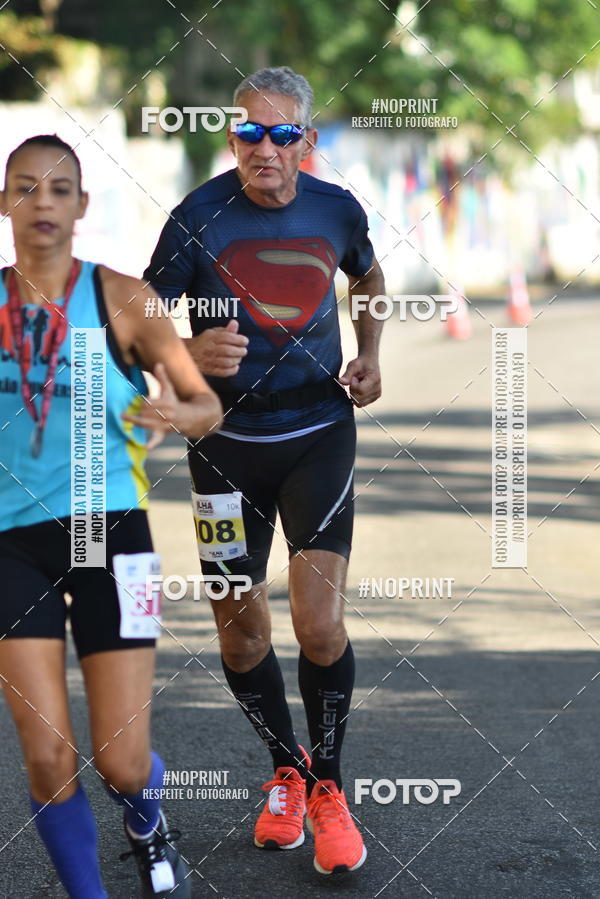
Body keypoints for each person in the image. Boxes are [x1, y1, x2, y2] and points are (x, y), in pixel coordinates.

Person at [145, 66, 385, 876]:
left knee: (319, 624)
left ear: (307, 142)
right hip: (221, 447)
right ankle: (285, 769)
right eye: (251, 132)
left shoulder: (337, 208)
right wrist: (183, 354)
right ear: (232, 137)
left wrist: (372, 353)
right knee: (241, 630)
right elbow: (142, 311)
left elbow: (370, 275)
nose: (266, 149)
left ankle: (330, 789)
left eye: (284, 134)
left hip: (319, 433)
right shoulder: (198, 215)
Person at [0, 134, 223, 898]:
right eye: (25, 188)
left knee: (120, 759)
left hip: (107, 527)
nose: (42, 203)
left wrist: (177, 410)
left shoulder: (122, 298)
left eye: (59, 189)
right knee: (48, 755)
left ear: (81, 206)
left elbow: (206, 404)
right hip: (9, 545)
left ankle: (147, 817)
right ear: (5, 203)